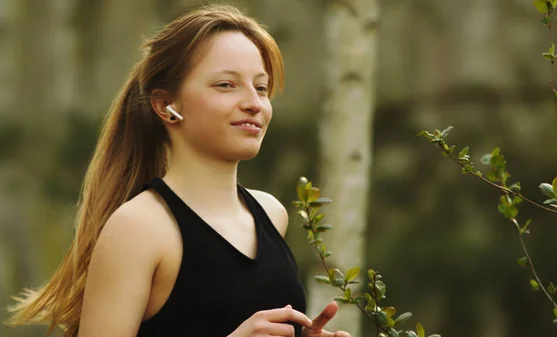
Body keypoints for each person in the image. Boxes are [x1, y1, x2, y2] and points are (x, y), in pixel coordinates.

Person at [6, 5, 351, 337]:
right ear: (165, 105)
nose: (254, 102)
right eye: (226, 85)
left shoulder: (271, 213)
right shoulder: (141, 228)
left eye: (261, 87)